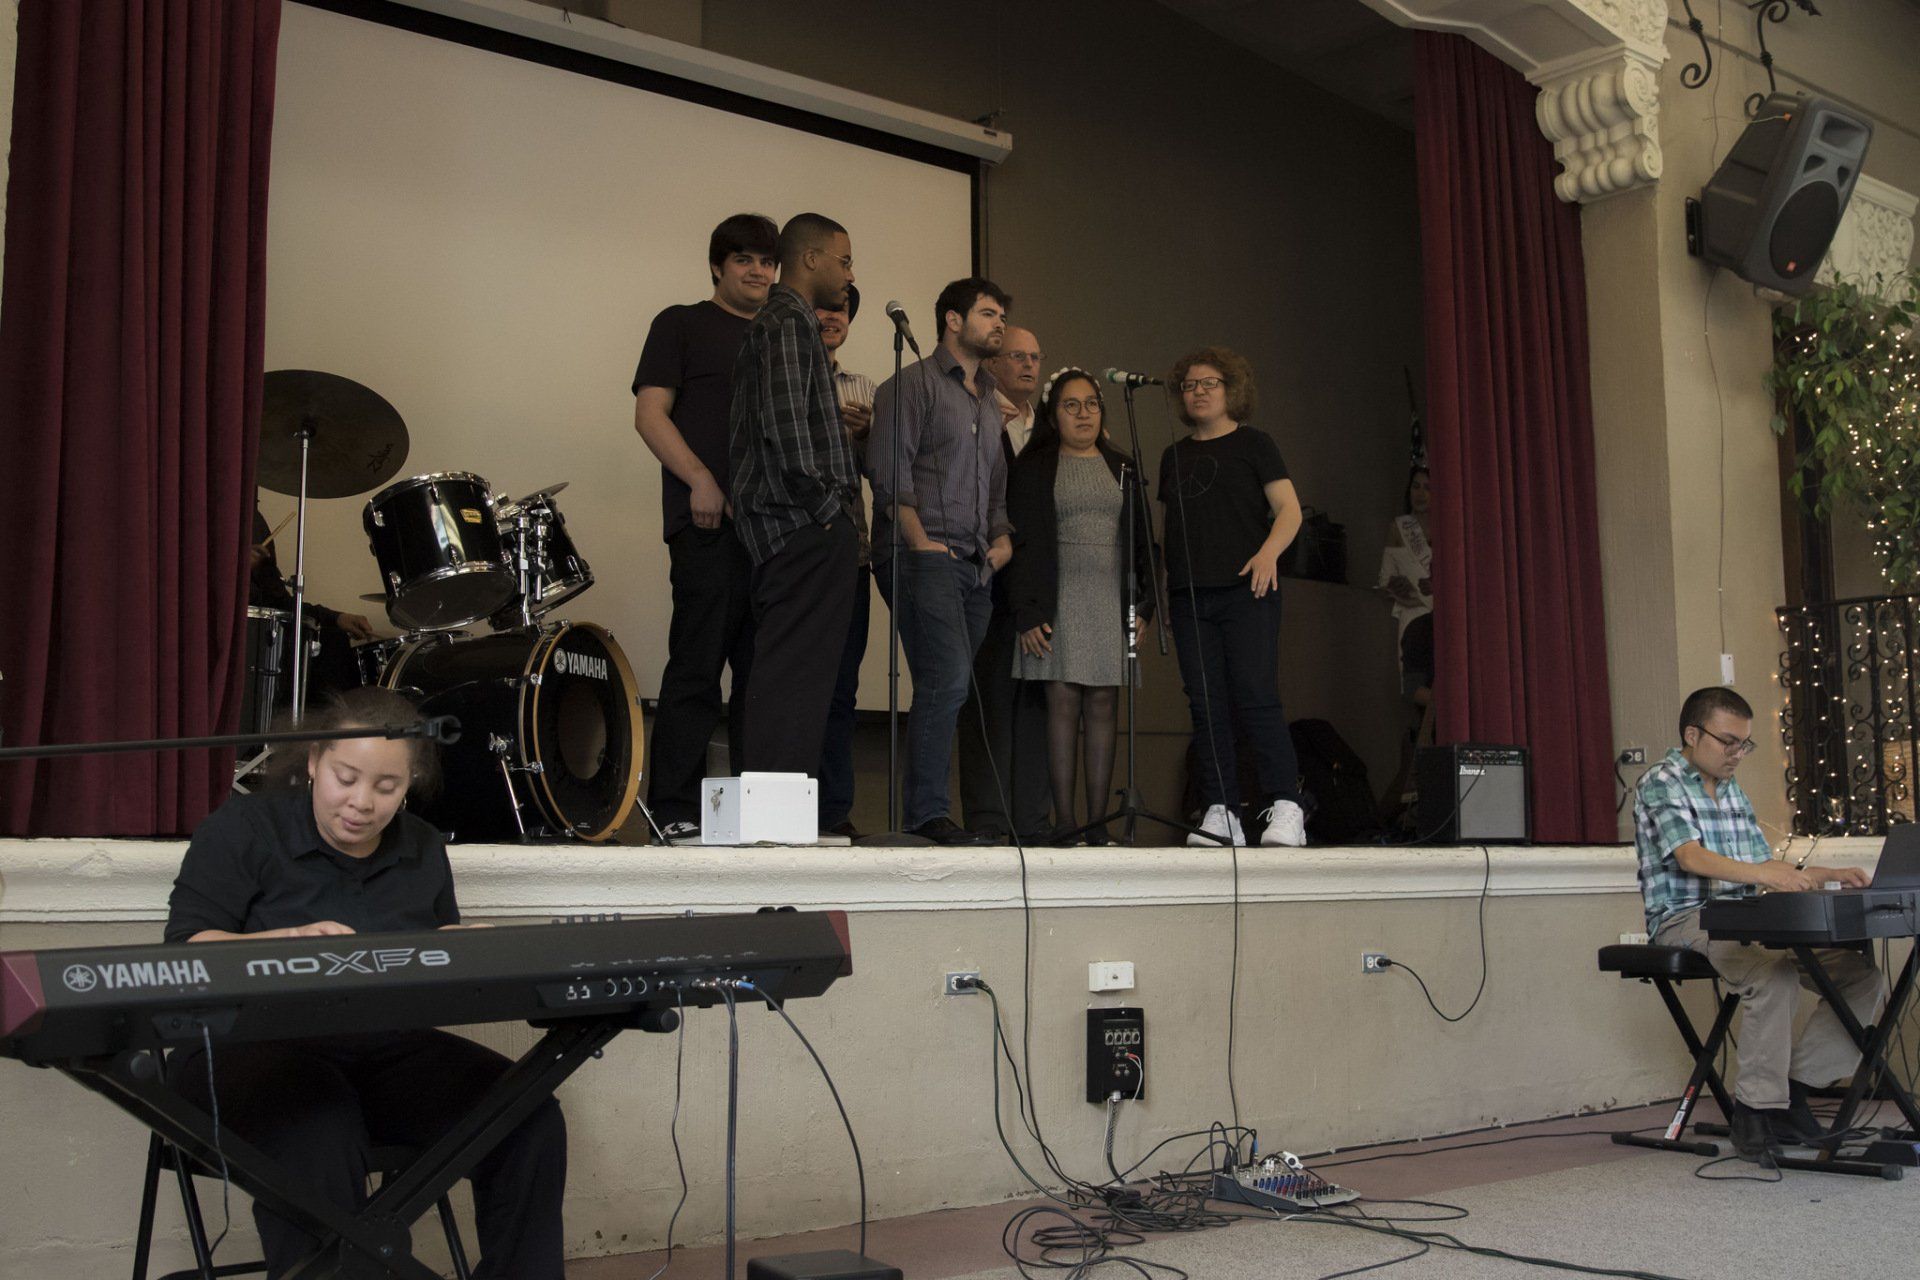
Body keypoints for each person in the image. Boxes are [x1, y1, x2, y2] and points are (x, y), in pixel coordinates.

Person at [164, 687, 567, 1278]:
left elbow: (432, 968)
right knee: (319, 1128)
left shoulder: (422, 846)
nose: (361, 803)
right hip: (244, 1050)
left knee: (526, 1116)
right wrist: (285, 943)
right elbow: (186, 952)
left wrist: (463, 948)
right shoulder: (246, 828)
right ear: (312, 763)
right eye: (345, 778)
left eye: (386, 788)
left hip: (383, 1048)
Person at [1633, 685, 1883, 1162]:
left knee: (1860, 976)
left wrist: (1819, 876)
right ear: (1693, 733)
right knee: (1773, 973)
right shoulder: (1662, 781)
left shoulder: (1732, 791)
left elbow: (1759, 865)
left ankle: (1795, 1093)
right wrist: (1766, 873)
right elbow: (1690, 856)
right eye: (1728, 741)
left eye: (1744, 744)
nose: (1737, 754)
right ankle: (1755, 1110)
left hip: (1749, 918)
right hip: (1688, 919)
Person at [632, 212, 778, 842]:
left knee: (760, 675)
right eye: (744, 259)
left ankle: (750, 814)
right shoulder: (681, 323)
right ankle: (670, 807)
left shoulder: (781, 336)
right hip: (708, 524)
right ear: (718, 265)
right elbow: (649, 414)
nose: (758, 272)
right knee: (697, 666)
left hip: (776, 534)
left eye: (768, 262)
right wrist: (699, 479)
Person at [867, 278, 1014, 845]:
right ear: (952, 321)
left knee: (946, 682)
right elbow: (890, 473)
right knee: (947, 678)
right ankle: (926, 815)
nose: (998, 323)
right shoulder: (911, 385)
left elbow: (995, 486)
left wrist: (1000, 540)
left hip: (976, 564)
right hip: (920, 553)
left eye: (1002, 315)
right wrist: (920, 542)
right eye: (987, 313)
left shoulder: (987, 398)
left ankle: (928, 814)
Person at [728, 212, 861, 812]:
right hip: (801, 526)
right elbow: (787, 432)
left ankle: (780, 820)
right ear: (810, 259)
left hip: (799, 528)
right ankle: (772, 825)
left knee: (800, 679)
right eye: (844, 259)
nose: (849, 273)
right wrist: (831, 511)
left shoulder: (787, 323)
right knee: (793, 678)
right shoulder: (786, 323)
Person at [1157, 347, 1307, 848]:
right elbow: (1172, 532)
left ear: (1231, 390)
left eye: (1209, 383)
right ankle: (1222, 809)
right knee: (1205, 706)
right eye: (1190, 385)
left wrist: (1268, 555)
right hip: (1191, 597)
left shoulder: (1254, 444)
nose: (1198, 392)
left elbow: (1289, 510)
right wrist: (1167, 592)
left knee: (1256, 697)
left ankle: (1287, 806)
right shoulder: (1172, 456)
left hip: (1248, 589)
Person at [1006, 369, 1154, 845]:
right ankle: (1065, 824)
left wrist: (1144, 609)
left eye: (1091, 403)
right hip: (1057, 596)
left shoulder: (1123, 466)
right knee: (1064, 702)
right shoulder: (1034, 467)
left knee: (1105, 702)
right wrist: (1027, 611)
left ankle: (1098, 825)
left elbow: (1143, 543)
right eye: (1071, 405)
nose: (1084, 413)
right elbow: (1021, 544)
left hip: (1110, 598)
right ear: (1054, 414)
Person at [959, 324, 1052, 842]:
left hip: (1035, 587)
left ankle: (1032, 822)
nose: (1028, 365)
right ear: (993, 365)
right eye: (1017, 355)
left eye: (1035, 357)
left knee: (1036, 705)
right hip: (985, 577)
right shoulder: (973, 412)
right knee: (985, 702)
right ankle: (989, 822)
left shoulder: (1050, 431)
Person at [816, 284, 876, 838]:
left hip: (851, 555)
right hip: (791, 557)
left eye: (842, 312)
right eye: (826, 308)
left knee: (841, 690)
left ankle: (833, 814)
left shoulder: (863, 389)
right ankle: (784, 806)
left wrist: (868, 439)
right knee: (790, 684)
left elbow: (883, 474)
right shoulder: (785, 375)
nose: (833, 318)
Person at [249, 504, 374, 699]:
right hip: (236, 640)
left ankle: (335, 728)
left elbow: (280, 601)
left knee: (333, 642)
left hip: (265, 638)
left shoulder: (252, 519)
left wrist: (337, 618)